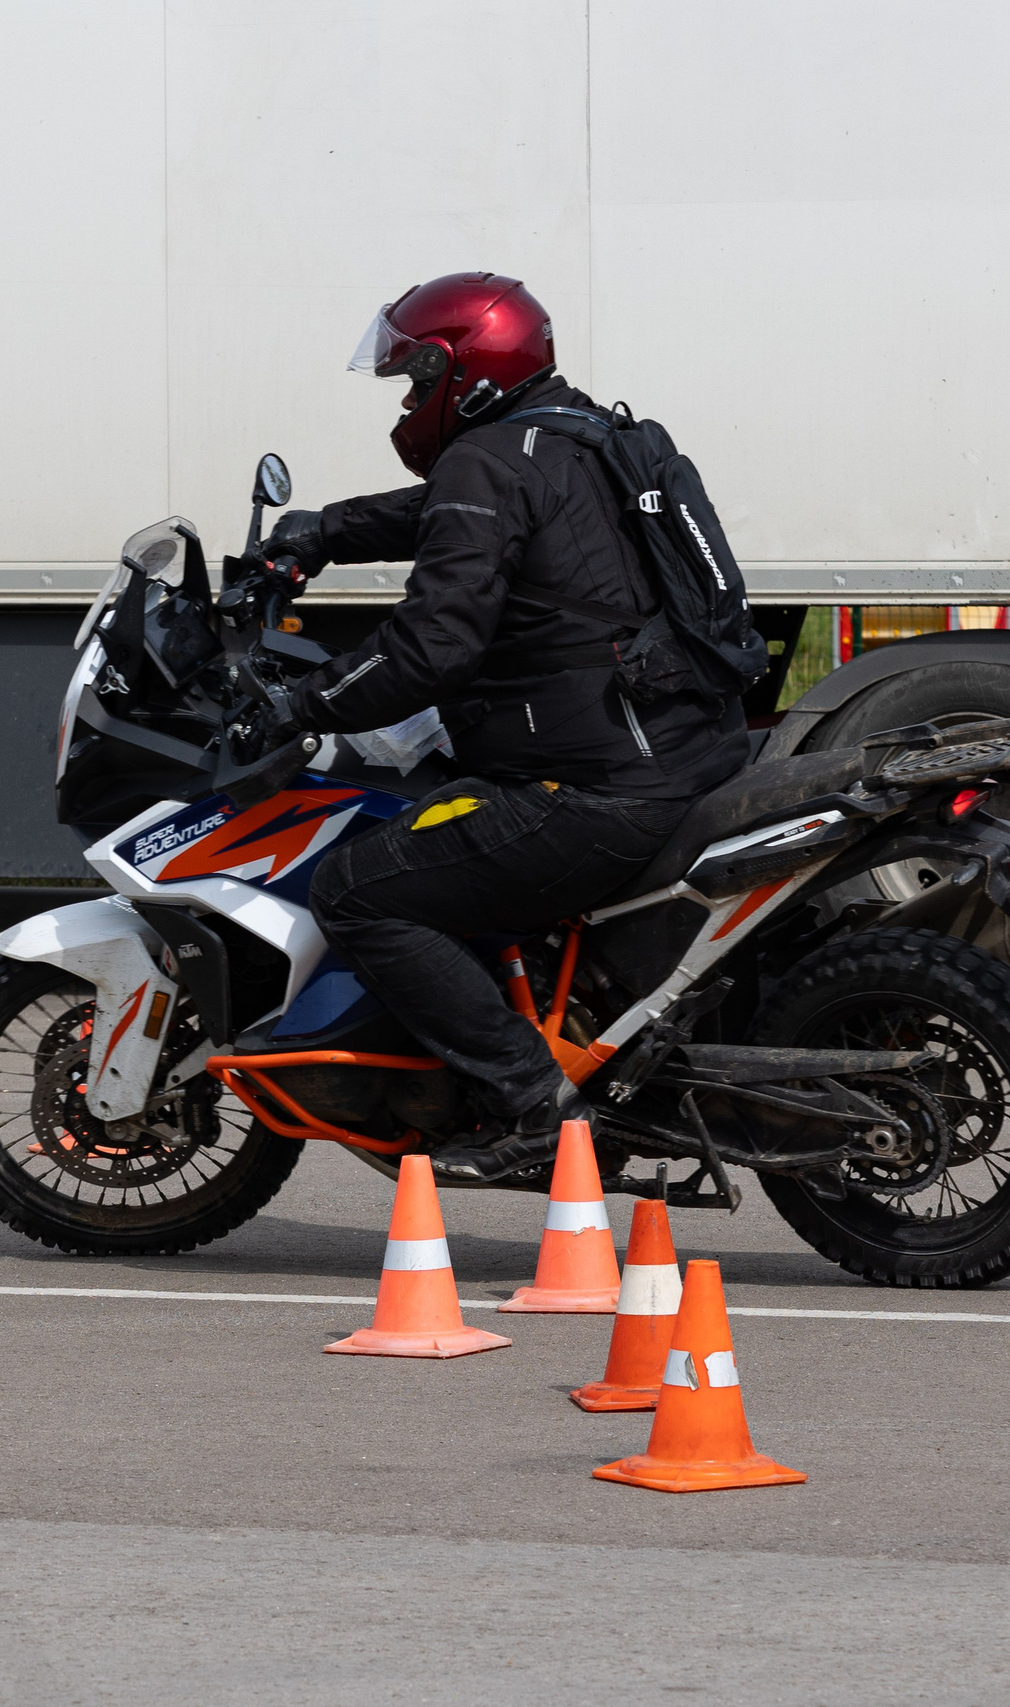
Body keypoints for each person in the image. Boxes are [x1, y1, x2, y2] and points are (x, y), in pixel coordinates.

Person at [258, 272, 748, 1183]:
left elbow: (430, 647)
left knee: (361, 887)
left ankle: (534, 1105)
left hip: (595, 789)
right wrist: (323, 531)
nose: (408, 402)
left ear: (464, 371)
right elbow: (449, 513)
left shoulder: (488, 460)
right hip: (692, 750)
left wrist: (304, 701)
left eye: (416, 379)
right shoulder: (586, 435)